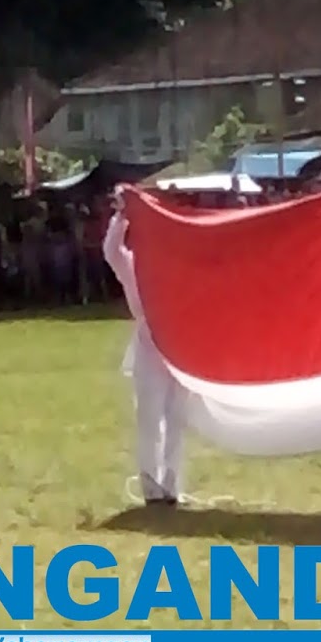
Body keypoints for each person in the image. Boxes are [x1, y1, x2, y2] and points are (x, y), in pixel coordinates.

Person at [103, 189, 186, 506]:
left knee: (177, 418)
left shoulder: (177, 267)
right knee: (149, 418)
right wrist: (122, 216)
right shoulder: (132, 263)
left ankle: (172, 484)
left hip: (180, 347)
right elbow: (112, 250)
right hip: (149, 344)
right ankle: (151, 486)